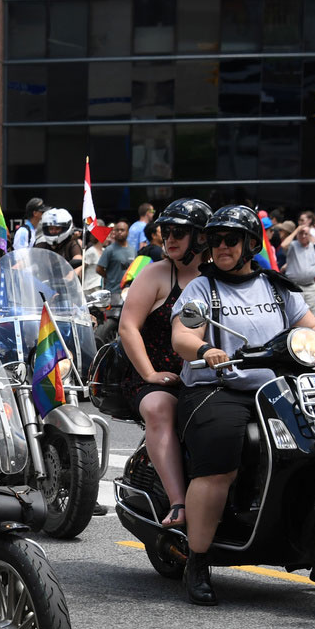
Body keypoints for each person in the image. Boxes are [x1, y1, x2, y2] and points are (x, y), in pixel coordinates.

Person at [170, 205, 315, 605]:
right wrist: (206, 349)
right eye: (215, 240)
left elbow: (311, 327)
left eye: (230, 240)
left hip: (274, 388)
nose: (221, 247)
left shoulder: (277, 288)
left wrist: (312, 342)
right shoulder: (201, 289)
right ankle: (198, 559)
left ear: (251, 244)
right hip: (217, 388)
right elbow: (182, 337)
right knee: (221, 460)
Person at [118, 198, 211, 529]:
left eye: (179, 232)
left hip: (209, 377)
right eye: (166, 231)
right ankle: (178, 502)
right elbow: (127, 326)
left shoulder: (220, 275)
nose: (169, 239)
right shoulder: (156, 273)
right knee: (160, 408)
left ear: (201, 237)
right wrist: (150, 373)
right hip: (158, 376)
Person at [279, 215, 315, 313]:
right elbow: (283, 245)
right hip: (295, 287)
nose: (303, 236)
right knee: (295, 314)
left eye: (306, 234)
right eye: (301, 233)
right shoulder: (293, 245)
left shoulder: (314, 247)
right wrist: (297, 230)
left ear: (309, 235)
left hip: (311, 287)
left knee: (312, 316)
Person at [97, 219, 135, 305]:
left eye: (122, 230)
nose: (119, 232)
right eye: (117, 230)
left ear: (128, 232)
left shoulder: (133, 250)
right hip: (113, 291)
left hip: (129, 292)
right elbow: (99, 269)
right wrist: (110, 276)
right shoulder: (109, 250)